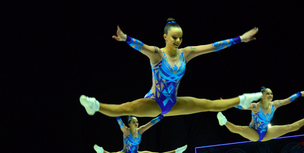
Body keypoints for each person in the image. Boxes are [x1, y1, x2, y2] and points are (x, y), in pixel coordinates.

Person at [80, 18, 262, 118]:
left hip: (173, 103)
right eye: (174, 37)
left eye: (180, 37)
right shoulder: (157, 54)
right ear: (165, 37)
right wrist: (126, 38)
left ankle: (242, 99)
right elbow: (141, 46)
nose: (178, 41)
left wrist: (240, 39)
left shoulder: (186, 53)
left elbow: (213, 46)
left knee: (209, 104)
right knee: (126, 108)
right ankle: (95, 105)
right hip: (154, 101)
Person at [217, 87, 304, 142]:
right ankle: (224, 121)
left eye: (271, 93)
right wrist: (228, 103)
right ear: (262, 96)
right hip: (253, 132)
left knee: (289, 127)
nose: (270, 95)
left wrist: (300, 93)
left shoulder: (275, 104)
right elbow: (243, 107)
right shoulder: (256, 106)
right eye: (267, 93)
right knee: (239, 129)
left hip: (266, 132)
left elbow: (288, 100)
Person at [93, 115, 187, 153]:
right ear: (129, 124)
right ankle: (101, 151)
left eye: (137, 122)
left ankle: (176, 152)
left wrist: (162, 116)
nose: (136, 123)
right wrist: (116, 114)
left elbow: (151, 123)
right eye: (134, 122)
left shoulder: (140, 130)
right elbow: (119, 122)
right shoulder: (126, 131)